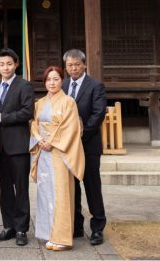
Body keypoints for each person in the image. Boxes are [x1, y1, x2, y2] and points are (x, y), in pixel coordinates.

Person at [30, 65, 85, 252]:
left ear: (62, 80)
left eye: (55, 79)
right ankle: (48, 233)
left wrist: (51, 143)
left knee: (61, 193)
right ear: (44, 82)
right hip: (43, 152)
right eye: (48, 80)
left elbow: (70, 128)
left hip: (60, 153)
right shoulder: (40, 103)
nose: (52, 83)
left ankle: (62, 237)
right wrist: (39, 140)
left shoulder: (69, 102)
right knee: (45, 193)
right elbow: (34, 125)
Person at [0, 48, 35, 246]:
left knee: (21, 189)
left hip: (18, 146)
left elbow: (27, 112)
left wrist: (1, 117)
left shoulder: (24, 86)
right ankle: (8, 226)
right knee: (5, 188)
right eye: (1, 64)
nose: (5, 67)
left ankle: (22, 229)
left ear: (16, 64)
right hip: (0, 148)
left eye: (9, 63)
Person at [62, 49, 107, 246]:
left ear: (84, 65)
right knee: (73, 188)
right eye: (70, 65)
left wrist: (80, 135)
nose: (74, 68)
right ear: (66, 67)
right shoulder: (63, 85)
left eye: (77, 64)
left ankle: (97, 228)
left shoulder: (95, 86)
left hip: (88, 144)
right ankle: (77, 225)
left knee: (92, 186)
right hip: (68, 147)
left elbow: (98, 114)